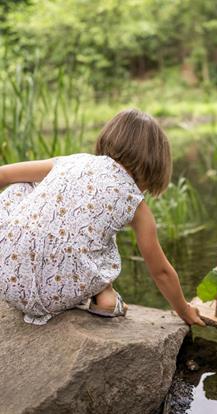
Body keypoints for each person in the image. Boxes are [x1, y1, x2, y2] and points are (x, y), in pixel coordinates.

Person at [0, 108, 205, 327]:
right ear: (155, 164)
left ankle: (101, 292)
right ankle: (105, 294)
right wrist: (183, 309)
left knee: (22, 187)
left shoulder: (72, 161)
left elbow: (3, 174)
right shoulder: (135, 204)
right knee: (101, 233)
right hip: (57, 295)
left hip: (7, 280)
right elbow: (161, 271)